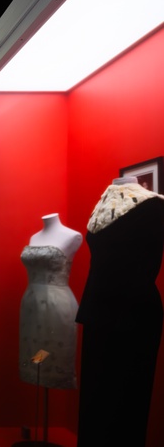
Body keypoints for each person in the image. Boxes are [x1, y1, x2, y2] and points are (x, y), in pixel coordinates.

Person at [76, 177, 164, 447]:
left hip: (134, 312)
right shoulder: (103, 204)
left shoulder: (155, 206)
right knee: (95, 397)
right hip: (97, 311)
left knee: (129, 398)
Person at [19, 213, 82, 389]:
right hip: (31, 304)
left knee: (52, 352)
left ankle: (52, 376)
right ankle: (38, 371)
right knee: (36, 357)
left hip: (56, 305)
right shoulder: (34, 238)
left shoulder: (72, 236)